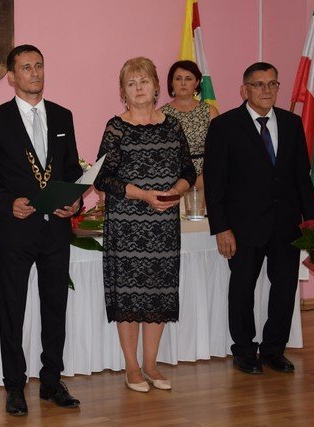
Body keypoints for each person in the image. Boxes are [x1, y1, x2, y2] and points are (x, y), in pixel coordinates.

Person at [0, 44, 83, 416]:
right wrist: (8, 203)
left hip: (56, 230)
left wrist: (75, 201)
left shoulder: (63, 116)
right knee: (12, 310)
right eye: (26, 67)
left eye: (39, 65)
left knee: (55, 307)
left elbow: (72, 171)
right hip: (16, 230)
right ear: (11, 77)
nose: (34, 72)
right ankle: (14, 386)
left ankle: (52, 381)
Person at [204, 62, 314, 375]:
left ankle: (273, 350)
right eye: (258, 84)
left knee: (284, 290)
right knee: (242, 290)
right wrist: (221, 228)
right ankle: (244, 351)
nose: (266, 90)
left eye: (272, 84)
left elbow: (302, 177)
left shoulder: (292, 123)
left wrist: (312, 223)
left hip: (286, 225)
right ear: (244, 90)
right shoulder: (225, 126)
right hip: (242, 227)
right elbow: (215, 183)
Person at [94, 57, 196, 393]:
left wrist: (176, 191)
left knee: (158, 294)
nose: (138, 88)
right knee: (129, 296)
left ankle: (151, 364)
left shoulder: (172, 126)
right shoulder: (116, 127)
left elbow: (188, 171)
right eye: (131, 83)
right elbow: (103, 179)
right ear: (123, 92)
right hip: (127, 225)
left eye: (144, 81)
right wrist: (144, 195)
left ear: (156, 87)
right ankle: (133, 367)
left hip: (163, 224)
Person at [161, 60, 219, 190]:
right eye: (178, 78)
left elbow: (218, 151)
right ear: (171, 82)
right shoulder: (161, 114)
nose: (183, 83)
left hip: (207, 178)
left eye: (188, 78)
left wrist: (204, 179)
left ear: (197, 82)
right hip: (173, 182)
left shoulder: (210, 111)